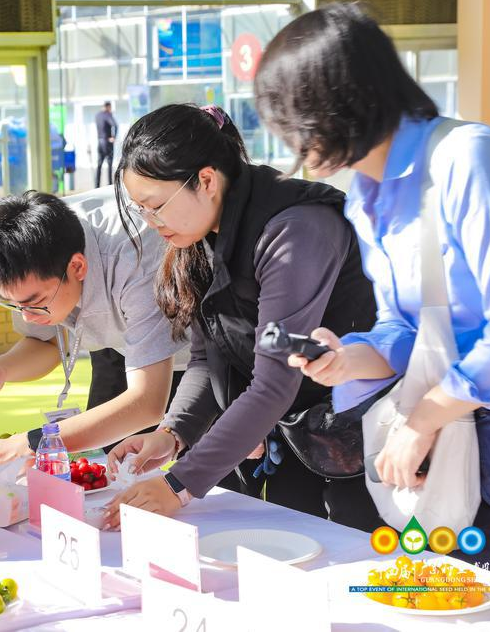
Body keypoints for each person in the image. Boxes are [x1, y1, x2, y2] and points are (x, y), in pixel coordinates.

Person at [254, 2, 490, 585]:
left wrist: (424, 419)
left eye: (290, 120)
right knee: (474, 605)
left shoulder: (471, 159)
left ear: (336, 102)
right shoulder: (368, 196)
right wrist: (348, 358)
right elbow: (405, 329)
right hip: (461, 435)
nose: (287, 140)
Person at [102, 104, 383, 534]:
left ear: (207, 181)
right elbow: (205, 357)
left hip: (368, 445)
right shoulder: (201, 238)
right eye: (141, 209)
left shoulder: (295, 230)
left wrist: (178, 484)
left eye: (155, 206)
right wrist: (171, 434)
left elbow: (272, 383)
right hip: (297, 440)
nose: (149, 221)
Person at [0, 188, 189, 464]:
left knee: (214, 472)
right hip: (117, 346)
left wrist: (31, 443)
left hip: (203, 347)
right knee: (108, 463)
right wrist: (2, 368)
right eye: (14, 305)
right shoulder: (30, 255)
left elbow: (147, 403)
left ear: (77, 267)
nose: (27, 316)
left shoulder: (134, 259)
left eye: (36, 302)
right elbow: (47, 343)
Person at [95, 101, 118, 189]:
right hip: (107, 142)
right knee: (109, 164)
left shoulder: (97, 115)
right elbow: (115, 125)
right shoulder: (108, 115)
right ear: (108, 107)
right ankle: (109, 185)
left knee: (99, 165)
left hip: (100, 141)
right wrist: (113, 136)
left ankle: (97, 185)